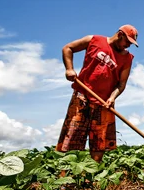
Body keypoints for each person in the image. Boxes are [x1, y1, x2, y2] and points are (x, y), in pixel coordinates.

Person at [56, 25, 138, 162]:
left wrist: (112, 98)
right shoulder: (94, 40)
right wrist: (69, 69)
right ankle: (67, 180)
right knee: (72, 139)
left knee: (99, 144)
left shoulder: (127, 58)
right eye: (127, 41)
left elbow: (121, 84)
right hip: (82, 95)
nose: (128, 46)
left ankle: (92, 178)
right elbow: (67, 48)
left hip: (104, 103)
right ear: (120, 35)